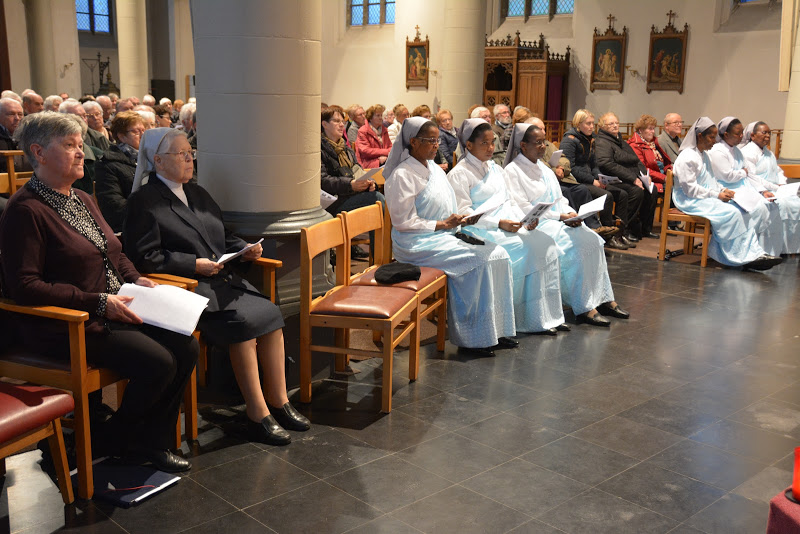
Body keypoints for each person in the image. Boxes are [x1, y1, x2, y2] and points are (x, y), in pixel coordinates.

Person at [0, 112, 198, 471]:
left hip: (113, 305)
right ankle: (116, 440)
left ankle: (148, 440)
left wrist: (137, 280)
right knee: (158, 362)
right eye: (70, 146)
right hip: (68, 324)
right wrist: (99, 302)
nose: (81, 153)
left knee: (186, 345)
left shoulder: (80, 197)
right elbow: (25, 286)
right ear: (38, 153)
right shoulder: (25, 210)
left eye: (80, 145)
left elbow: (114, 252)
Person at [124, 128, 310, 445]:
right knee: (244, 323)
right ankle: (257, 412)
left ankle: (279, 401)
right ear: (157, 160)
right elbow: (146, 258)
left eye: (189, 152)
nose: (188, 158)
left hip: (222, 280)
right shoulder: (144, 202)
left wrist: (245, 247)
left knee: (269, 314)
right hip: (188, 289)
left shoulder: (198, 193)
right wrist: (192, 264)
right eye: (180, 154)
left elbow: (222, 235)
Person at [384, 117, 517, 357]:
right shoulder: (402, 175)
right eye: (430, 141)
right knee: (478, 261)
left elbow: (449, 204)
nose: (436, 145)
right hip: (415, 242)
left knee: (497, 253)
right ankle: (472, 338)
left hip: (441, 233)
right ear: (413, 142)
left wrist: (464, 218)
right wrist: (442, 224)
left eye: (437, 140)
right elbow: (402, 222)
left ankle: (496, 330)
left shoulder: (434, 168)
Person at [448, 118, 566, 335]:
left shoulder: (495, 168)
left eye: (493, 142)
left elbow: (509, 202)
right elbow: (464, 215)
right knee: (531, 249)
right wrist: (499, 223)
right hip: (479, 230)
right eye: (484, 143)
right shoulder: (459, 173)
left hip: (505, 225)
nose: (491, 148)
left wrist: (523, 220)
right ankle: (525, 318)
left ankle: (545, 315)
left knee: (547, 244)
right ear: (469, 145)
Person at [504, 123, 628, 327]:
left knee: (594, 240)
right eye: (538, 143)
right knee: (575, 245)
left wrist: (570, 212)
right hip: (538, 224)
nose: (543, 147)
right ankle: (585, 306)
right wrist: (559, 216)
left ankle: (604, 298)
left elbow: (558, 197)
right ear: (523, 146)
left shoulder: (544, 168)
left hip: (557, 219)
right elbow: (522, 207)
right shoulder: (512, 171)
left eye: (543, 142)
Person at [672, 117, 782, 270]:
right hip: (689, 199)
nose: (714, 140)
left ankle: (749, 253)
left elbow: (711, 180)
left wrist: (722, 190)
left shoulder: (703, 155)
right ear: (699, 136)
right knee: (731, 212)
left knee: (741, 209)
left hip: (704, 196)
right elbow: (690, 190)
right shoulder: (688, 157)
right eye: (711, 137)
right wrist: (717, 195)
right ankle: (733, 256)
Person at [529, 117, 617, 241]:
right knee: (567, 192)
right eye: (540, 129)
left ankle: (594, 227)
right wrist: (555, 170)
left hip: (564, 178)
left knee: (581, 189)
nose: (543, 132)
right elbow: (538, 164)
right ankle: (574, 225)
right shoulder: (532, 147)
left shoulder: (548, 144)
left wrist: (562, 169)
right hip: (547, 181)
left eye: (544, 129)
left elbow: (564, 158)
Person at [708, 116, 783, 257]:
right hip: (726, 190)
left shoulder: (737, 151)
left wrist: (764, 190)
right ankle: (736, 251)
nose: (742, 136)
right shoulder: (718, 151)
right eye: (738, 133)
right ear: (726, 134)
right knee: (752, 209)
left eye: (742, 132)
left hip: (742, 188)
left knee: (767, 205)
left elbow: (750, 175)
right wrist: (742, 172)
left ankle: (758, 249)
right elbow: (728, 176)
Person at [561, 109, 633, 250]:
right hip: (576, 181)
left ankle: (619, 233)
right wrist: (592, 180)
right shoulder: (569, 141)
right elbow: (571, 168)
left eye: (592, 124)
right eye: (588, 124)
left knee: (623, 194)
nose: (591, 127)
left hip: (590, 179)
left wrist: (600, 178)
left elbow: (594, 164)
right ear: (578, 124)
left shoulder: (591, 139)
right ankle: (608, 235)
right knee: (606, 196)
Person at [320, 107, 384, 259]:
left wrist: (370, 182)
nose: (342, 125)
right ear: (324, 124)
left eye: (343, 121)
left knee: (377, 198)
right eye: (336, 121)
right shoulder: (319, 148)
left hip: (349, 195)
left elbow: (359, 171)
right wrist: (351, 184)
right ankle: (381, 258)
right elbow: (322, 181)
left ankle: (380, 258)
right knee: (379, 200)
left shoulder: (345, 148)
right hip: (331, 201)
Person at [741, 121, 800, 254]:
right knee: (778, 205)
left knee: (796, 203)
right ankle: (769, 249)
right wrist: (771, 188)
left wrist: (782, 184)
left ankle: (788, 248)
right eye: (764, 132)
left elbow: (778, 171)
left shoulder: (769, 153)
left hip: (775, 189)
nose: (767, 136)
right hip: (757, 190)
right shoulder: (747, 153)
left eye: (769, 133)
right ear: (753, 135)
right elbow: (752, 177)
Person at [595, 112, 655, 240]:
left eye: (616, 123)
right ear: (602, 126)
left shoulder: (620, 141)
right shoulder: (602, 141)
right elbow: (607, 164)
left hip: (628, 177)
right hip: (612, 179)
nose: (615, 126)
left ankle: (644, 228)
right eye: (611, 123)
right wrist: (633, 179)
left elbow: (636, 160)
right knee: (636, 191)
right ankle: (625, 228)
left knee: (652, 190)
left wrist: (645, 175)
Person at [95, 111, 146, 233]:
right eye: (136, 131)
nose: (142, 135)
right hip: (129, 227)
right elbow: (114, 205)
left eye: (144, 130)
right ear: (121, 136)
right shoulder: (107, 163)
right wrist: (148, 212)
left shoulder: (149, 157)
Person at [628, 114, 672, 193]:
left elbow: (666, 162)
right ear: (641, 130)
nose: (653, 131)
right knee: (675, 190)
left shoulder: (654, 142)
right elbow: (643, 169)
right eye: (650, 129)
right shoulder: (635, 145)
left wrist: (671, 172)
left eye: (653, 129)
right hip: (651, 179)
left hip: (663, 176)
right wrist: (664, 178)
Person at [355, 105, 391, 169]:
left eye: (381, 115)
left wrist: (385, 156)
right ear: (370, 118)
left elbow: (390, 147)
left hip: (384, 160)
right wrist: (384, 153)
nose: (381, 118)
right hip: (369, 162)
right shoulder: (363, 131)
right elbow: (365, 151)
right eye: (378, 115)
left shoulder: (384, 130)